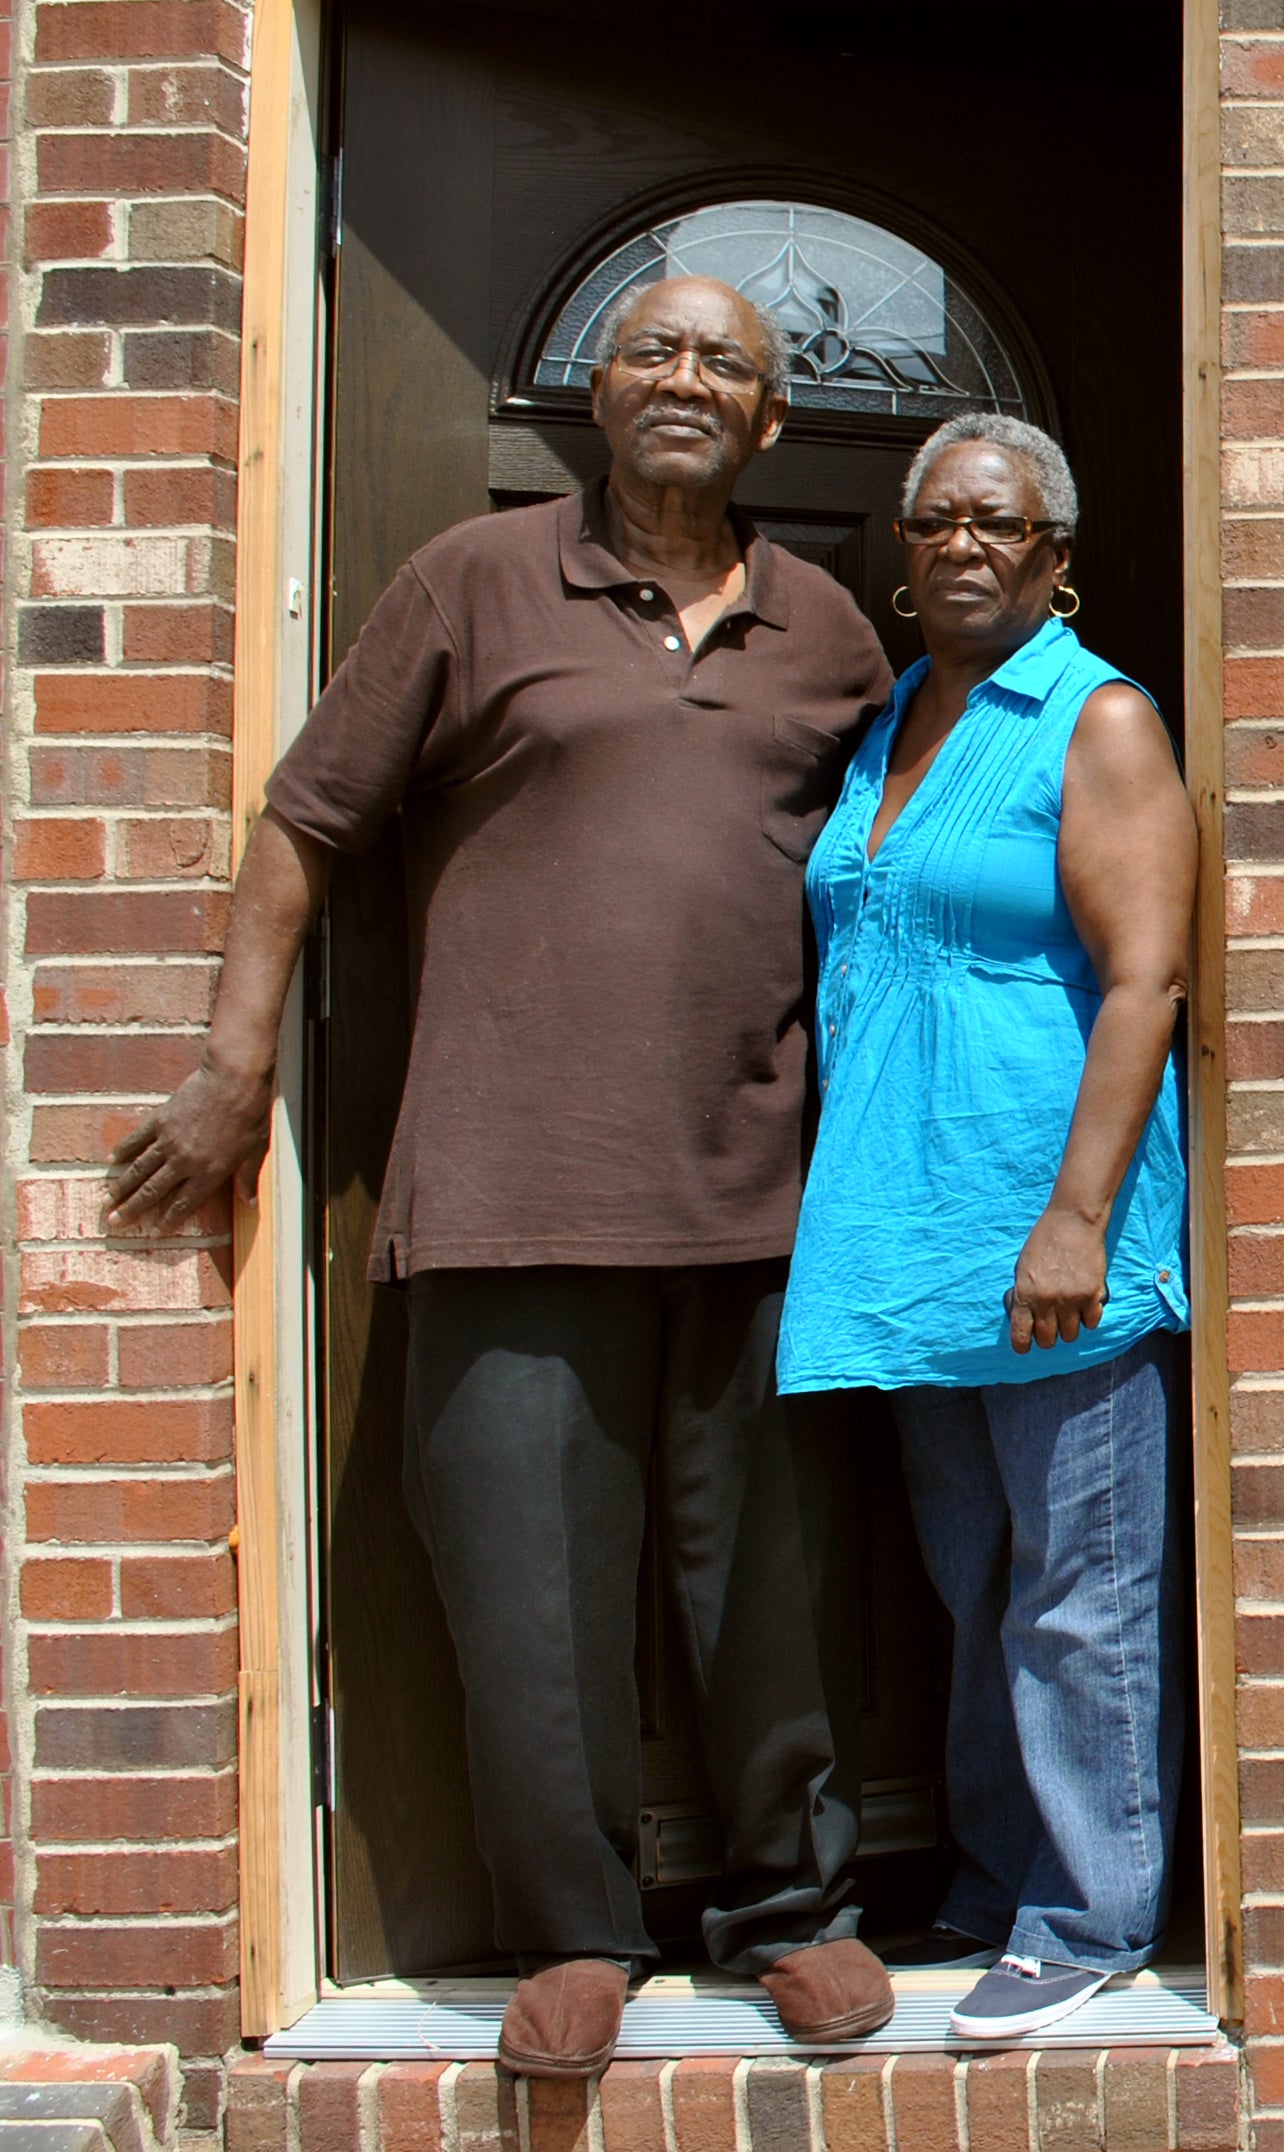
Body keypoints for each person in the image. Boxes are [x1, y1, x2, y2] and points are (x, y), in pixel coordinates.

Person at [106, 277, 898, 2076]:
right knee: (524, 1588)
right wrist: (236, 1065)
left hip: (764, 1194)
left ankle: (793, 1911)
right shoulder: (473, 583)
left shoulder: (831, 629)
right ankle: (572, 1929)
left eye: (728, 365)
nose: (688, 381)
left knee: (768, 1586)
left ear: (772, 422)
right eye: (655, 354)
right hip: (510, 1178)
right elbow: (309, 821)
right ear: (591, 393)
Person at [777, 413, 1197, 2043]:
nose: (962, 543)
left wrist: (1078, 1216)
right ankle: (998, 1865)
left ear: (1057, 562)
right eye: (936, 521)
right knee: (975, 1575)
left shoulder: (1092, 721)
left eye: (1000, 526)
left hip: (1048, 1233)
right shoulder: (895, 728)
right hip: (910, 1235)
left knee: (1080, 1587)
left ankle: (1089, 1912)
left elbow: (1148, 979)